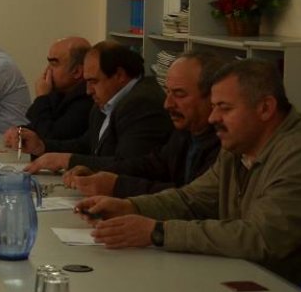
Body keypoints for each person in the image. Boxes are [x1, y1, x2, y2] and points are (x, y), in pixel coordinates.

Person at [77, 59, 301, 284]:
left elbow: (261, 238)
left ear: (265, 108)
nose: (213, 118)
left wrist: (157, 232)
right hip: (245, 278)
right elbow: (192, 199)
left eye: (225, 108)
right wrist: (131, 207)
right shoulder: (239, 145)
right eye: (213, 107)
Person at [64, 52, 224, 197]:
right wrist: (97, 172)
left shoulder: (224, 145)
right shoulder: (185, 132)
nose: (167, 104)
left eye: (179, 94)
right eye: (168, 92)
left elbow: (190, 198)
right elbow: (152, 165)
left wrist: (117, 186)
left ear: (213, 97)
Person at [19, 41, 171, 172]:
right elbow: (87, 145)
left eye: (94, 81)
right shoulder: (107, 99)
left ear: (119, 75)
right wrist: (41, 146)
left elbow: (128, 166)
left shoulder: (142, 103)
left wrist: (68, 161)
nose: (88, 90)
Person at [5, 37, 92, 142]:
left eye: (54, 64)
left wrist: (41, 98)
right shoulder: (59, 93)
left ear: (77, 71)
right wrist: (18, 131)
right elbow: (38, 126)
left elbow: (49, 137)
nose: (47, 70)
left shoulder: (87, 99)